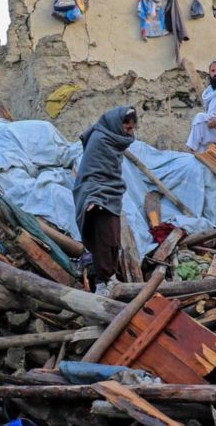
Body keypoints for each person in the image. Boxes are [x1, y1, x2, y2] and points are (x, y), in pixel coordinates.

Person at [73, 106, 137, 297]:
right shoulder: (100, 140)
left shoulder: (113, 142)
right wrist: (93, 198)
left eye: (132, 129)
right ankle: (102, 282)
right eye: (127, 129)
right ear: (118, 125)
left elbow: (110, 174)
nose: (130, 133)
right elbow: (92, 173)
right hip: (97, 198)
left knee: (113, 240)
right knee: (102, 240)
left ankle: (110, 278)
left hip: (110, 195)